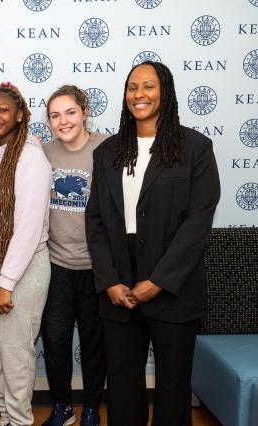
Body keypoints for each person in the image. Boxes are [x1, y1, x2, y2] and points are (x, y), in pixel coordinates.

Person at [85, 61, 220, 426]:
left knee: (173, 386)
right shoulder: (108, 152)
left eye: (148, 86)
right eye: (132, 87)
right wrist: (109, 281)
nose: (139, 95)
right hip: (118, 284)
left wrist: (159, 280)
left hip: (174, 284)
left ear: (166, 92)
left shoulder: (195, 148)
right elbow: (95, 220)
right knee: (123, 382)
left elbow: (198, 221)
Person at [0, 83, 52, 426]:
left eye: (4, 110)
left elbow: (28, 227)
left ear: (20, 115)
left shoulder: (30, 156)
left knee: (15, 355)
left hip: (19, 273)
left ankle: (20, 421)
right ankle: (6, 415)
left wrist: (5, 283)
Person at [39, 85, 107, 426]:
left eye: (69, 112)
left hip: (96, 267)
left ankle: (92, 407)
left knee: (95, 342)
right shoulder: (44, 152)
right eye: (54, 115)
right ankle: (62, 407)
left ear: (84, 111)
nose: (62, 121)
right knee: (56, 339)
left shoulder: (107, 148)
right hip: (56, 265)